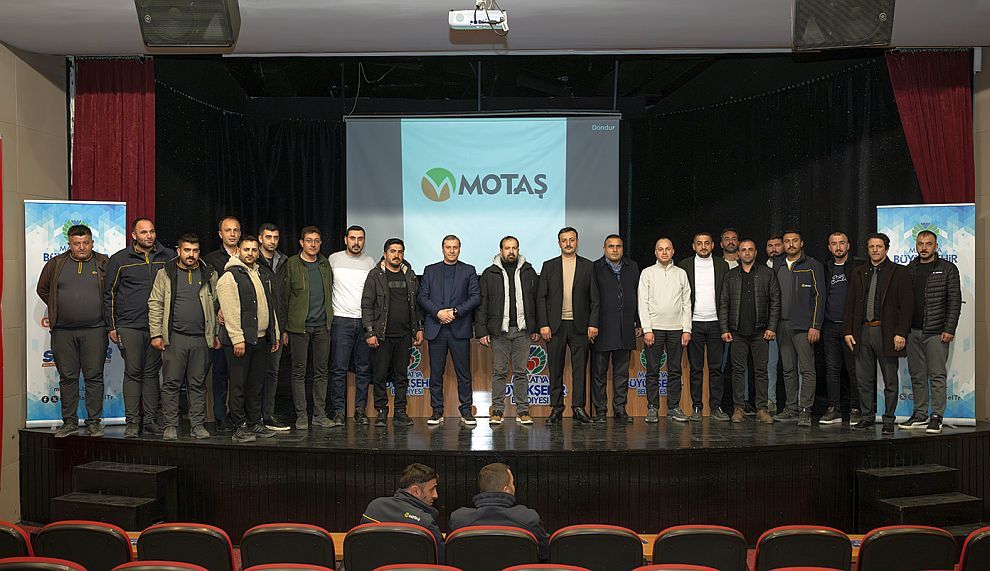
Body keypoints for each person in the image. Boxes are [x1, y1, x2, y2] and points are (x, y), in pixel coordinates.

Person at [36, 224, 110, 438]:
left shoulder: (103, 262)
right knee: (67, 378)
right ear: (69, 244)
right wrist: (59, 307)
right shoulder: (56, 264)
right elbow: (43, 289)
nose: (81, 247)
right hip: (63, 332)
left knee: (94, 376)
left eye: (85, 242)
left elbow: (113, 290)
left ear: (92, 243)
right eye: (77, 243)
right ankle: (69, 422)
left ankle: (94, 422)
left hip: (95, 330)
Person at [105, 218, 175, 438]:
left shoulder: (168, 256)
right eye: (144, 232)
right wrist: (112, 326)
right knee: (133, 373)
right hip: (130, 325)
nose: (149, 236)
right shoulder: (119, 259)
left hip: (158, 326)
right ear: (134, 236)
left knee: (152, 374)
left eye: (152, 231)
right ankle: (133, 422)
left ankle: (151, 420)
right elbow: (109, 294)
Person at [148, 233, 219, 440]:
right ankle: (170, 425)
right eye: (187, 250)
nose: (191, 255)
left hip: (201, 339)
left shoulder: (209, 274)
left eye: (195, 251)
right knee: (171, 383)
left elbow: (217, 306)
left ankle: (197, 425)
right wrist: (156, 334)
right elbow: (155, 303)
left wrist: (215, 333)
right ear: (178, 251)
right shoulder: (165, 273)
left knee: (198, 384)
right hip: (175, 338)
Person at [843, 233, 913, 434]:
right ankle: (867, 416)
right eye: (871, 247)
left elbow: (906, 307)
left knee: (890, 380)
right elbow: (850, 303)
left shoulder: (899, 272)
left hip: (887, 332)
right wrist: (847, 330)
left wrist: (901, 333)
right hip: (862, 331)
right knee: (863, 379)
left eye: (879, 246)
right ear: (867, 250)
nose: (875, 250)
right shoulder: (858, 272)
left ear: (886, 249)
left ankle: (889, 419)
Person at [217, 235, 281, 443]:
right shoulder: (230, 276)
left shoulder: (260, 274)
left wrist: (274, 333)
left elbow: (269, 306)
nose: (251, 253)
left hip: (260, 339)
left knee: (255, 385)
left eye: (254, 250)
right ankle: (239, 426)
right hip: (240, 341)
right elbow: (230, 310)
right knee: (238, 386)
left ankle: (254, 422)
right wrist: (237, 339)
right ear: (238, 251)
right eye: (246, 250)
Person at [537, 227, 600, 425]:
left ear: (577, 242)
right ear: (559, 243)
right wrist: (543, 324)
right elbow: (541, 297)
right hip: (555, 326)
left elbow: (595, 298)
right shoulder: (549, 266)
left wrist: (593, 323)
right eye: (564, 240)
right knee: (555, 369)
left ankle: (578, 408)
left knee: (579, 370)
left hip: (580, 326)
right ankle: (556, 408)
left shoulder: (588, 266)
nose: (568, 243)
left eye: (571, 240)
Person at [902, 230, 961, 434]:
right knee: (917, 375)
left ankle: (936, 416)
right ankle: (920, 414)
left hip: (936, 332)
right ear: (916, 246)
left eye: (928, 244)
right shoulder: (909, 269)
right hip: (912, 332)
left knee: (936, 376)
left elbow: (954, 301)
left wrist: (949, 328)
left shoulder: (948, 268)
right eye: (920, 243)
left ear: (936, 246)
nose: (924, 247)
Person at [475, 236, 540, 425]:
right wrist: (482, 331)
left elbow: (537, 300)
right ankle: (497, 410)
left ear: (518, 250)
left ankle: (523, 410)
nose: (511, 251)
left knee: (521, 372)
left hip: (523, 330)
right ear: (501, 250)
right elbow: (482, 303)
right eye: (507, 248)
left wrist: (536, 326)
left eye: (514, 248)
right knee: (499, 372)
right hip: (499, 332)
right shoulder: (489, 273)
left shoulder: (528, 271)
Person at [361, 238, 424, 427]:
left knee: (402, 376)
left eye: (400, 251)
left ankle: (400, 412)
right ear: (385, 253)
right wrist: (369, 332)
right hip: (382, 335)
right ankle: (381, 411)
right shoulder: (375, 275)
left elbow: (416, 305)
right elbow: (367, 304)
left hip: (404, 335)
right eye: (392, 251)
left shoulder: (410, 275)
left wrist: (419, 328)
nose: (396, 255)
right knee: (379, 375)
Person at [419, 235, 481, 425]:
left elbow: (475, 297)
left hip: (459, 328)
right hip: (436, 328)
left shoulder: (469, 270)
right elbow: (422, 297)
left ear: (459, 249)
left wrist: (455, 312)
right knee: (436, 374)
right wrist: (438, 312)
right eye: (448, 247)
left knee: (464, 373)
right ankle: (437, 411)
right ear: (442, 249)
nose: (452, 250)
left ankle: (466, 410)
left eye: (455, 247)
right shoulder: (429, 270)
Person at [279, 226, 335, 430]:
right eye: (309, 240)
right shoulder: (291, 264)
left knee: (321, 372)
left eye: (317, 241)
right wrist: (283, 328)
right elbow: (283, 297)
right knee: (299, 372)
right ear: (301, 243)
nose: (313, 244)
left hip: (322, 327)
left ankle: (319, 414)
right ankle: (301, 416)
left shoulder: (325, 264)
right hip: (298, 328)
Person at [718, 239, 780, 424]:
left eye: (750, 249)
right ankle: (739, 408)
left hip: (761, 331)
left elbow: (775, 302)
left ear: (755, 252)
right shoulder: (730, 276)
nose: (746, 253)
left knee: (761, 371)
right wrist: (724, 329)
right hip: (737, 331)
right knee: (737, 371)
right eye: (743, 250)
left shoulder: (767, 274)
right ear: (738, 253)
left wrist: (771, 327)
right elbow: (723, 303)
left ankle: (762, 409)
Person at [773, 229, 824, 427]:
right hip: (782, 325)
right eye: (787, 241)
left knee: (807, 369)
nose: (791, 244)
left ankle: (805, 410)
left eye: (795, 240)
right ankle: (791, 408)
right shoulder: (777, 265)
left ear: (801, 243)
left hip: (804, 326)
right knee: (788, 369)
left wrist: (815, 325)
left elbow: (819, 297)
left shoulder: (812, 265)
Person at [638, 238, 692, 423]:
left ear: (673, 251)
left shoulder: (681, 273)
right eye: (660, 249)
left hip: (677, 329)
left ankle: (673, 407)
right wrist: (647, 329)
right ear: (655, 252)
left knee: (675, 371)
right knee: (652, 370)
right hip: (654, 330)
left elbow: (686, 302)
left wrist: (687, 329)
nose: (664, 252)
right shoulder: (647, 273)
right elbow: (642, 303)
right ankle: (652, 407)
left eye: (667, 249)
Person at [678, 232, 731, 421]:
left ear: (713, 245)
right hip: (694, 323)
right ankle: (696, 407)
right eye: (699, 243)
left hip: (717, 323)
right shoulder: (684, 265)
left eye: (706, 243)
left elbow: (726, 296)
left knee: (716, 368)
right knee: (696, 369)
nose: (703, 246)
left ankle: (716, 406)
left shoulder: (722, 265)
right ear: (693, 246)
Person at [449, 463, 550, 560]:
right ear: (506, 489)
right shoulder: (528, 518)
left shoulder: (458, 520)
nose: (514, 487)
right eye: (512, 483)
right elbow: (546, 553)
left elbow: (448, 556)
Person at [328, 225, 376, 424]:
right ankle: (339, 411)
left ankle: (360, 410)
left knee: (364, 369)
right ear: (345, 239)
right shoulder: (333, 259)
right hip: (341, 320)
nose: (356, 242)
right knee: (338, 368)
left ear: (364, 241)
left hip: (364, 321)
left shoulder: (370, 262)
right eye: (353, 238)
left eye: (360, 239)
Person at [590, 234, 640, 422]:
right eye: (611, 246)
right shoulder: (595, 267)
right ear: (604, 249)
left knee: (621, 374)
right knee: (599, 374)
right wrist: (592, 324)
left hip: (625, 328)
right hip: (602, 328)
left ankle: (620, 409)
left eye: (618, 246)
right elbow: (591, 298)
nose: (615, 249)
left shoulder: (632, 266)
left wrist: (638, 322)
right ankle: (600, 410)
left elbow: (638, 295)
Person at [203, 215, 242, 432]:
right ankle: (220, 416)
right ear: (220, 234)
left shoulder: (248, 255)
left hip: (244, 325)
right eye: (228, 230)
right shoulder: (211, 259)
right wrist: (219, 308)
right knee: (220, 373)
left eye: (236, 230)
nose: (232, 234)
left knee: (241, 375)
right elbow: (208, 291)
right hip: (221, 325)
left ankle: (238, 415)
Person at [823, 231, 864, 425]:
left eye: (842, 243)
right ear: (829, 247)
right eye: (834, 243)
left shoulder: (859, 267)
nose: (838, 247)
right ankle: (834, 409)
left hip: (852, 328)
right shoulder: (826, 268)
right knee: (832, 370)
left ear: (848, 246)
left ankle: (856, 408)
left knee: (854, 370)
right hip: (829, 326)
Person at [361, 463, 444, 558]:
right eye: (432, 489)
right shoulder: (426, 523)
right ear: (415, 491)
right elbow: (441, 559)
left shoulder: (374, 507)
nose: (435, 495)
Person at [256, 222, 289, 431]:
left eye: (275, 237)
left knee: (272, 373)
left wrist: (283, 329)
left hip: (277, 328)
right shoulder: (252, 259)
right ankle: (253, 417)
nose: (272, 241)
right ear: (260, 238)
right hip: (258, 327)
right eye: (268, 237)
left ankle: (267, 415)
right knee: (255, 374)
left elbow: (284, 299)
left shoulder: (283, 261)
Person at [765, 233, 785, 413]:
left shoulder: (789, 267)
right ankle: (770, 401)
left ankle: (796, 405)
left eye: (777, 245)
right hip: (769, 325)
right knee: (770, 365)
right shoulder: (761, 268)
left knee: (792, 366)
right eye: (770, 246)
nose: (774, 249)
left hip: (787, 322)